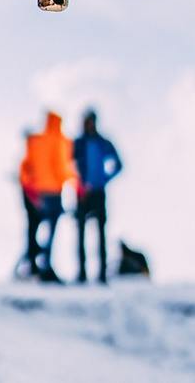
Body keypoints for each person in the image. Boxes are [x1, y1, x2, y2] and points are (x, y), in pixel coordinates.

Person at [18, 112, 75, 282]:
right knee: (50, 230)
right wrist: (70, 180)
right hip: (54, 191)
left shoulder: (36, 141)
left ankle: (33, 263)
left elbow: (25, 168)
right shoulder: (60, 141)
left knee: (35, 227)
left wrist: (30, 187)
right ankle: (45, 265)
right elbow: (62, 167)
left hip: (38, 193)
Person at [73, 109, 123, 284]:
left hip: (98, 192)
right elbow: (67, 165)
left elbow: (118, 164)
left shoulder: (103, 143)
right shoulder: (78, 143)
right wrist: (79, 182)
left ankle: (101, 274)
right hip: (82, 193)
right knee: (80, 234)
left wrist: (104, 179)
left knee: (101, 234)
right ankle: (82, 273)